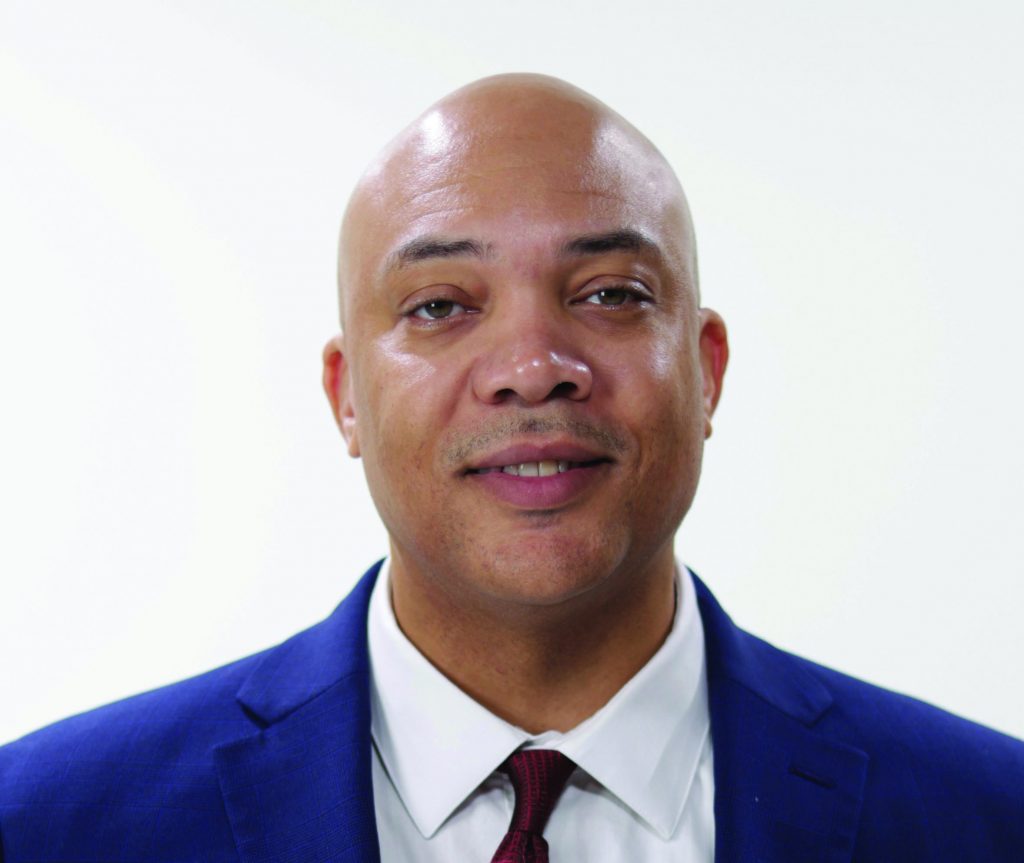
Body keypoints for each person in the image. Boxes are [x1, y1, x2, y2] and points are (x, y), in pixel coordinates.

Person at [1, 73, 1021, 862]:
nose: (533, 367)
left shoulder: (989, 816)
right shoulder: (44, 823)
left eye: (610, 293)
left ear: (705, 371)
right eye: (441, 305)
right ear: (346, 394)